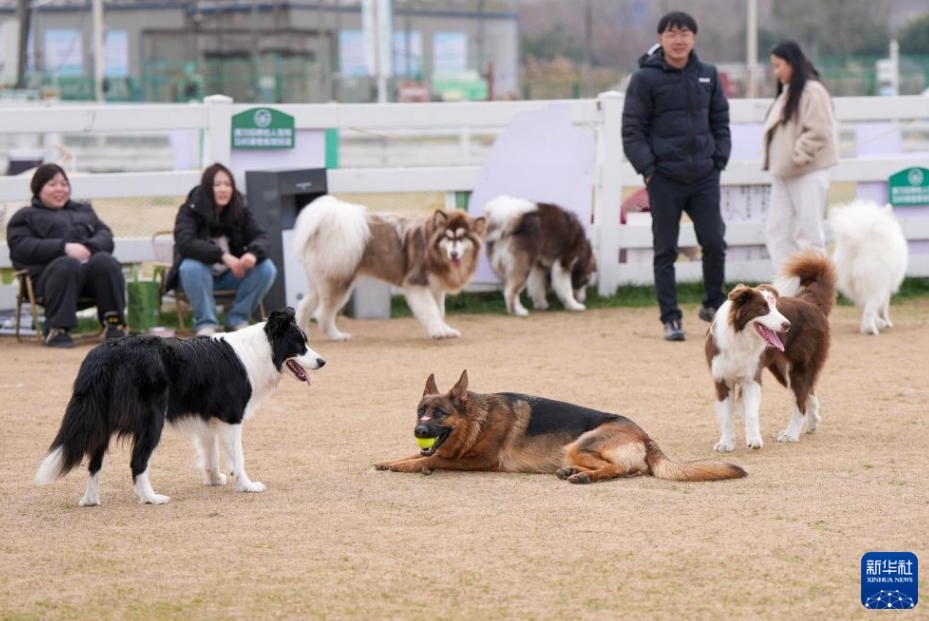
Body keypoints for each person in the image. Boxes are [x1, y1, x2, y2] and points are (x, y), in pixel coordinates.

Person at [621, 11, 731, 342]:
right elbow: (631, 130)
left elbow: (721, 121)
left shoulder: (708, 75)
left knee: (714, 241)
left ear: (694, 38)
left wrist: (718, 160)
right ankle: (671, 318)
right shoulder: (644, 79)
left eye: (685, 33)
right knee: (665, 249)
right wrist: (650, 170)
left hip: (704, 176)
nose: (679, 39)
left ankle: (714, 304)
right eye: (672, 33)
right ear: (661, 38)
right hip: (664, 178)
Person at [6, 164, 127, 348]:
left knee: (105, 261)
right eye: (52, 184)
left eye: (64, 184)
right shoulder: (25, 216)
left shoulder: (83, 211)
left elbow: (105, 236)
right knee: (67, 264)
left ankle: (115, 324)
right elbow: (22, 247)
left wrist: (88, 248)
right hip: (49, 280)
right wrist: (63, 248)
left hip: (90, 279)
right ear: (38, 189)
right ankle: (57, 330)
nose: (59, 189)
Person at [165, 163, 276, 336]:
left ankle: (237, 320)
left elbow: (262, 237)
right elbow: (185, 242)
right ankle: (206, 324)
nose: (223, 189)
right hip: (195, 278)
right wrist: (223, 256)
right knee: (191, 266)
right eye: (217, 185)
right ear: (207, 187)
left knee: (266, 268)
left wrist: (252, 253)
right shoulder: (189, 211)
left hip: (230, 276)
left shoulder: (240, 210)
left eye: (227, 184)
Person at [762, 40, 837, 272]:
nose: (776, 72)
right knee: (778, 232)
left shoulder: (812, 91)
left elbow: (820, 131)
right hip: (784, 173)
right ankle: (787, 291)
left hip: (807, 172)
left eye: (779, 66)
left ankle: (815, 296)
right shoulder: (789, 92)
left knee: (809, 233)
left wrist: (797, 156)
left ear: (792, 63)